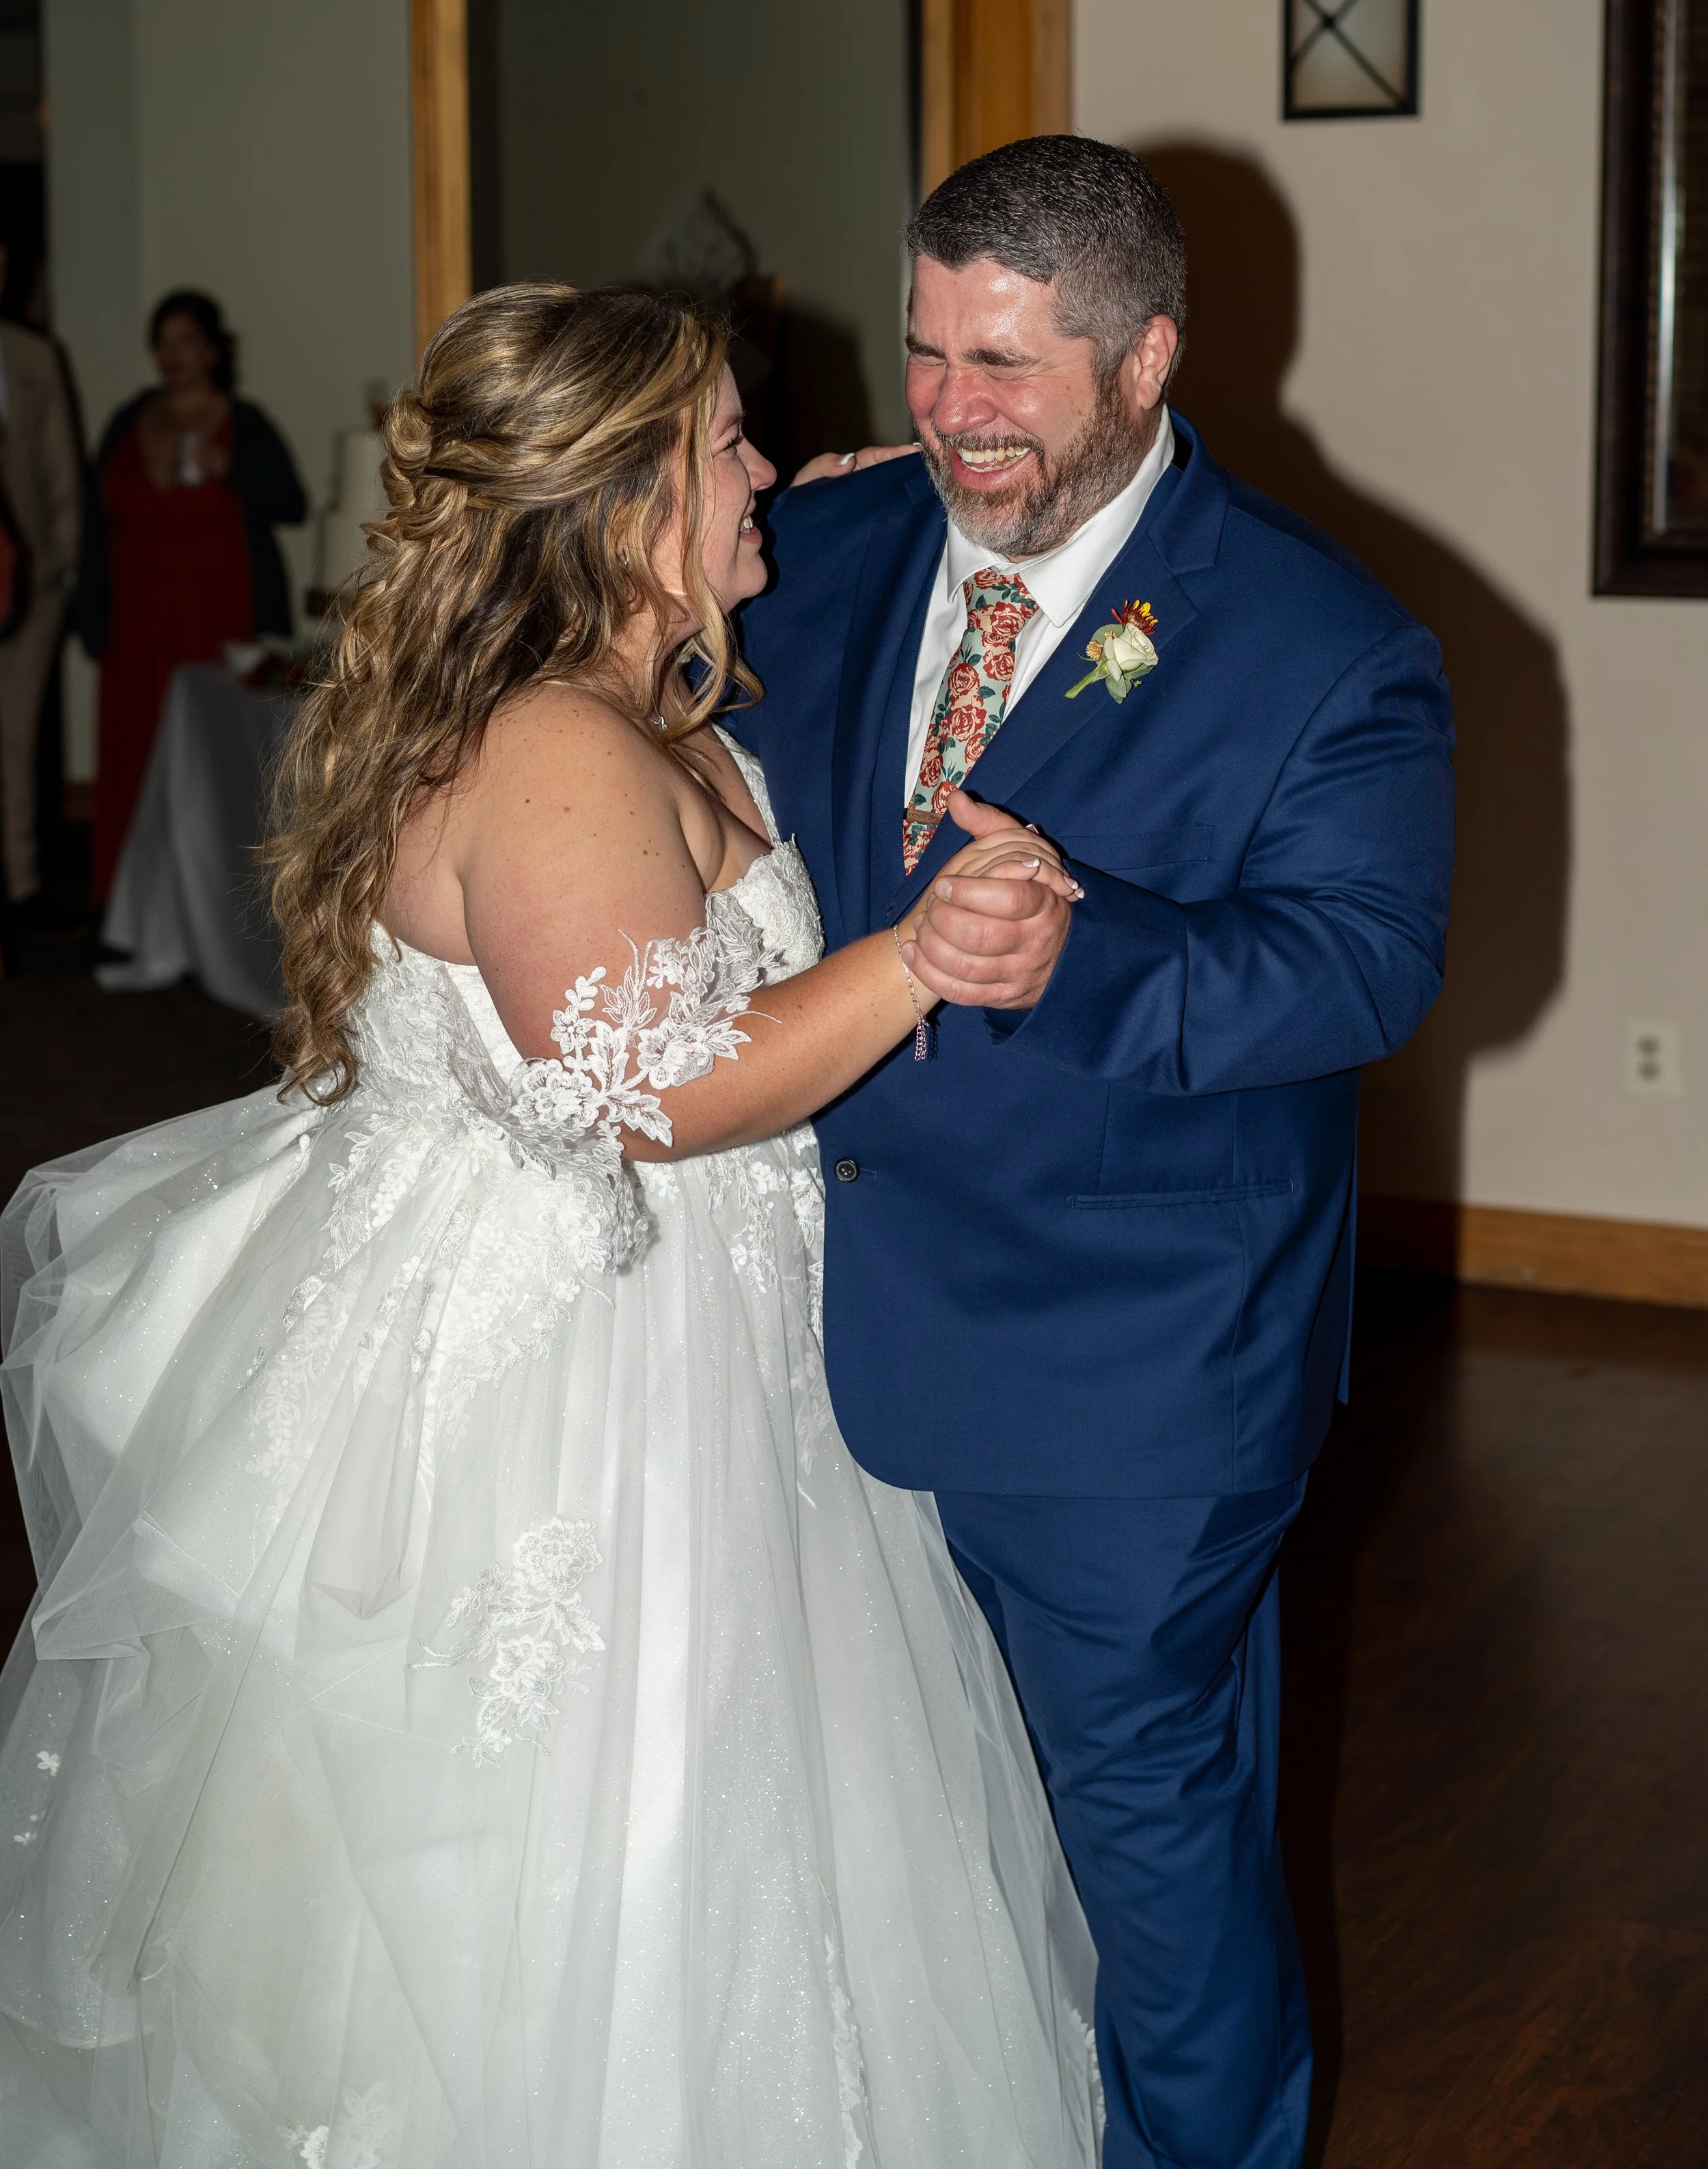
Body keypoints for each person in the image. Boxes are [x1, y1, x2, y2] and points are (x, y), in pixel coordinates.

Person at [0, 284, 1102, 2166]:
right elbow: (651, 1085)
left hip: (700, 1333)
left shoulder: (627, 697)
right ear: (624, 503)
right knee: (609, 1847)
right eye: (731, 446)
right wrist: (917, 958)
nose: (770, 467)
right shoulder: (557, 747)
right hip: (592, 1387)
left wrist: (854, 500)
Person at [734, 135, 1457, 2169]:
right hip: (805, 1331)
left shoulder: (1322, 640)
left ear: (1144, 358)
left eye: (1005, 365)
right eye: (924, 351)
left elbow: (1363, 964)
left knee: (1149, 1853)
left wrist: (1087, 953)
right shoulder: (826, 543)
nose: (950, 408)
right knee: (898, 1814)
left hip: (1129, 1368)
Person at [79, 288, 306, 901]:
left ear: (212, 350)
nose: (172, 354)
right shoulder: (128, 420)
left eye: (185, 340)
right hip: (137, 620)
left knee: (214, 757)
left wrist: (229, 468)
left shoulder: (245, 422)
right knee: (135, 751)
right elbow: (96, 523)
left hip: (217, 617)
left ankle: (217, 904)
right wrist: (91, 613)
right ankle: (135, 903)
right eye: (162, 342)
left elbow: (291, 502)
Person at [0, 260, 81, 926]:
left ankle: (19, 881)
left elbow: (59, 464)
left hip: (29, 579)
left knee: (15, 733)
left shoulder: (33, 357)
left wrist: (63, 564)